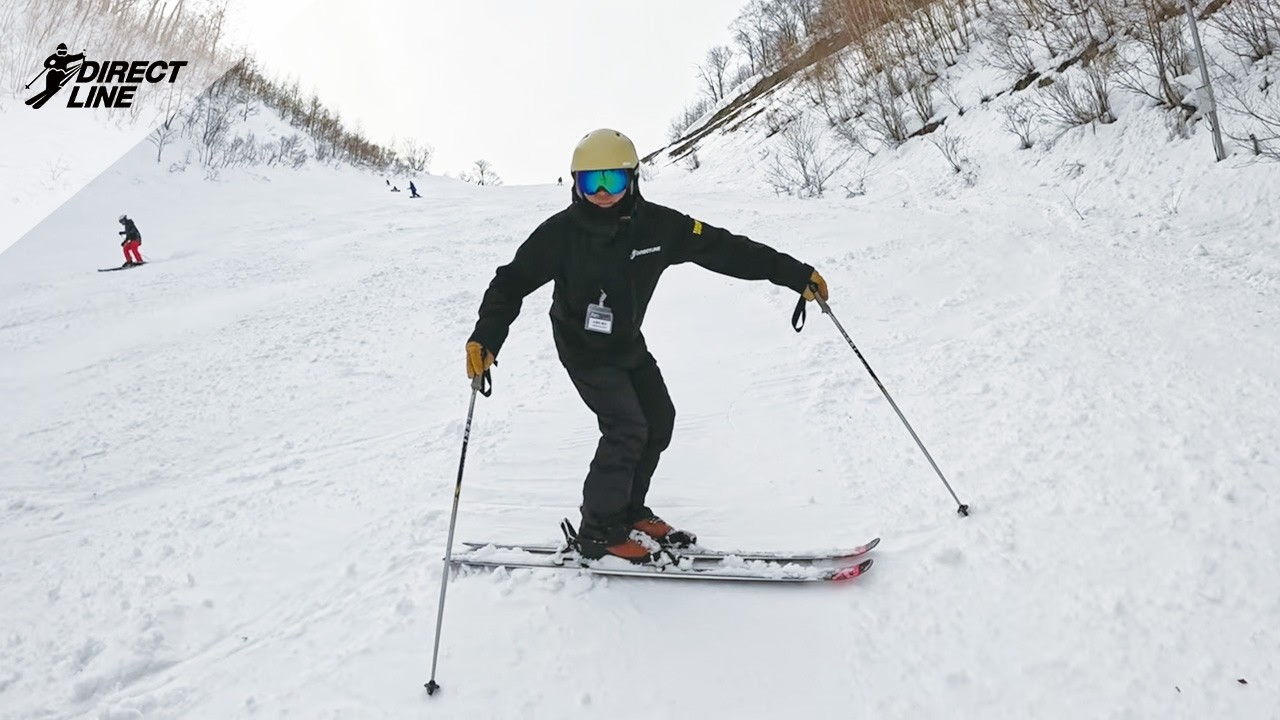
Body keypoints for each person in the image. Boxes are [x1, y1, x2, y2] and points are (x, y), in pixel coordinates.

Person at [465, 129, 829, 563]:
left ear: (633, 179)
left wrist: (793, 273)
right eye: (590, 182)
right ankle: (598, 531)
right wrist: (486, 336)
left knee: (659, 419)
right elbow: (510, 283)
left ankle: (629, 511)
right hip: (581, 346)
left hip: (625, 341)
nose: (602, 193)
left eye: (613, 181)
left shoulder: (658, 226)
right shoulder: (559, 235)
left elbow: (723, 248)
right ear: (575, 184)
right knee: (625, 427)